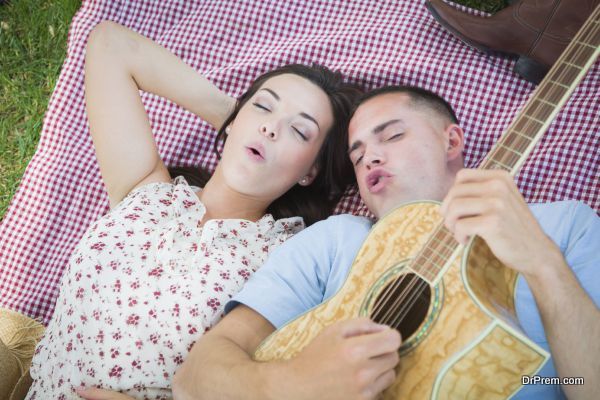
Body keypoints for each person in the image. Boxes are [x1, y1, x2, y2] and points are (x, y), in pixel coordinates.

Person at [170, 86, 600, 400]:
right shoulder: (333, 238)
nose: (370, 157)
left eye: (392, 136)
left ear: (451, 141)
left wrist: (544, 264)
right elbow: (197, 375)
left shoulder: (564, 226)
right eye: (357, 156)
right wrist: (291, 383)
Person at [24, 20, 361, 400]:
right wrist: (234, 120)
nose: (270, 128)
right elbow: (109, 45)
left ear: (310, 172)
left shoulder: (286, 256)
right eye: (263, 107)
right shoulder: (147, 192)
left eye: (299, 131)